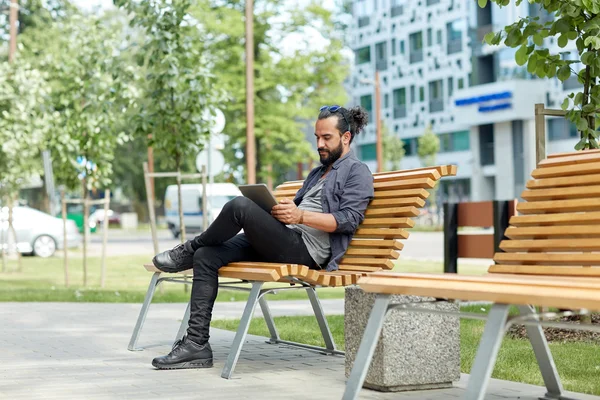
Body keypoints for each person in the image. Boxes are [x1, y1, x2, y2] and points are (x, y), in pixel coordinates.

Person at [150, 105, 374, 370]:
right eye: (317, 137)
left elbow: (349, 220)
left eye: (327, 138)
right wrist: (280, 211)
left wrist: (299, 216)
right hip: (286, 238)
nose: (319, 144)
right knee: (207, 256)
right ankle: (197, 345)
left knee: (239, 206)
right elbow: (298, 213)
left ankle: (187, 248)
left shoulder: (357, 172)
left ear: (346, 138)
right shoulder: (318, 173)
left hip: (306, 251)